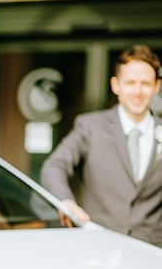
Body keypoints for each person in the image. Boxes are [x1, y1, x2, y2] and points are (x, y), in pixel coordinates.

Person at [41, 44, 162, 247]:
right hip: (100, 248)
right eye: (130, 82)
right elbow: (55, 165)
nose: (138, 91)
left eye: (145, 83)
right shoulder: (90, 127)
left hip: (154, 251)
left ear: (156, 87)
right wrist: (66, 202)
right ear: (115, 85)